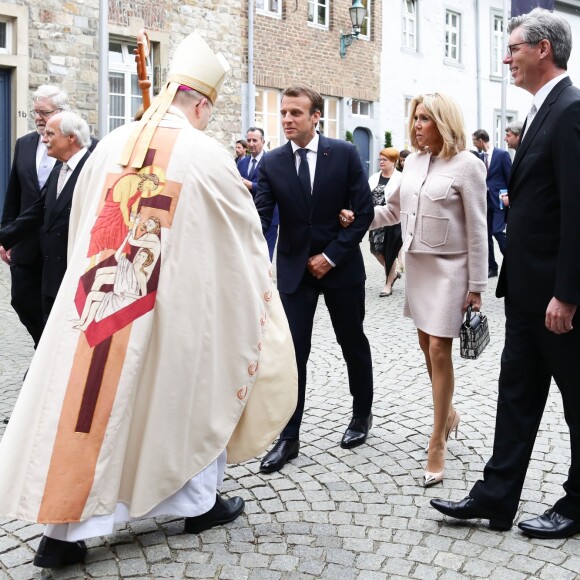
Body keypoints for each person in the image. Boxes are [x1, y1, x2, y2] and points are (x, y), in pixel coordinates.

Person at [0, 31, 297, 568]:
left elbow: (81, 226)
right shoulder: (206, 154)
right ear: (201, 103)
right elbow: (241, 243)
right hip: (172, 308)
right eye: (210, 111)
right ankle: (196, 503)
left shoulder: (114, 142)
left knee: (85, 407)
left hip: (98, 301)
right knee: (190, 395)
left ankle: (62, 532)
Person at [431, 8, 580, 539]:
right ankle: (496, 498)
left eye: (513, 47)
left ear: (543, 48)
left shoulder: (571, 109)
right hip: (524, 294)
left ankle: (578, 503)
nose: (505, 56)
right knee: (515, 395)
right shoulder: (543, 110)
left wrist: (568, 293)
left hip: (557, 301)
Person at [340, 93, 488, 487]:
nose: (417, 125)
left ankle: (437, 440)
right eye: (415, 118)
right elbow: (392, 212)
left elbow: (478, 228)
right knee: (427, 347)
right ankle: (448, 411)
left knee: (440, 348)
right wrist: (356, 219)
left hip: (451, 268)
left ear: (443, 121)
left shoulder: (469, 166)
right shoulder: (414, 162)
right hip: (419, 268)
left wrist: (477, 286)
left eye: (424, 118)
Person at [254, 84, 375, 473]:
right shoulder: (271, 162)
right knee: (294, 354)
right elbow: (260, 217)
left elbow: (364, 211)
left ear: (315, 117)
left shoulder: (343, 153)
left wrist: (331, 255)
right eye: (284, 113)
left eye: (295, 113)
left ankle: (361, 415)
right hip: (293, 272)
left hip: (340, 269)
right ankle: (289, 437)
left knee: (351, 341)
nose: (287, 119)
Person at [0, 112, 91, 325]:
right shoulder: (59, 168)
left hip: (74, 274)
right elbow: (37, 211)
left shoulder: (91, 168)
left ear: (71, 137)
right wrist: (4, 237)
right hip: (50, 274)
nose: (43, 139)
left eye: (50, 134)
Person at [0, 86, 71, 346]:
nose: (38, 117)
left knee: (54, 303)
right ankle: (43, 350)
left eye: (44, 112)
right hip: (26, 241)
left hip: (60, 243)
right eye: (36, 112)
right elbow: (14, 193)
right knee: (21, 300)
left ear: (61, 112)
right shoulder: (25, 144)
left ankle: (48, 361)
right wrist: (6, 235)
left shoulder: (75, 147)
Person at [472, 129, 511, 278]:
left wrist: (510, 196)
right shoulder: (480, 157)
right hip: (485, 201)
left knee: (497, 231)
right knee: (485, 235)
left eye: (475, 141)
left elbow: (510, 177)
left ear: (481, 140)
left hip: (500, 200)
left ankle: (512, 259)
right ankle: (492, 268)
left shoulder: (502, 155)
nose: (474, 144)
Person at [238, 127, 279, 260]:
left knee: (265, 256)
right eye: (248, 140)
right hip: (247, 214)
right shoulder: (242, 162)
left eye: (254, 140)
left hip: (269, 215)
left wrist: (251, 185)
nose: (251, 144)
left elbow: (275, 186)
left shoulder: (272, 161)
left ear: (263, 141)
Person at [367, 147, 403, 297]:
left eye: (384, 159)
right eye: (380, 159)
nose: (381, 162)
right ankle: (393, 273)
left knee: (389, 251)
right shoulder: (374, 177)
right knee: (375, 250)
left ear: (393, 162)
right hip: (374, 219)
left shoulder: (400, 178)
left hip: (392, 220)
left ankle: (388, 283)